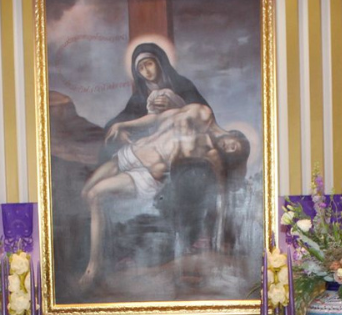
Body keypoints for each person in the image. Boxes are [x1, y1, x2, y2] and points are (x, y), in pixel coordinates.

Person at [79, 103, 250, 283]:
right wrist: (123, 125)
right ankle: (106, 252)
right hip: (130, 153)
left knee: (94, 195)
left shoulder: (209, 151)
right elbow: (158, 117)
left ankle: (93, 267)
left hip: (145, 172)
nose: (229, 146)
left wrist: (222, 232)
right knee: (85, 192)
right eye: (234, 144)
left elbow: (221, 190)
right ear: (233, 134)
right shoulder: (202, 112)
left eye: (232, 151)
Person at [100, 43, 208, 162]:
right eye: (141, 68)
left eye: (149, 64)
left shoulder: (182, 84)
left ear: (159, 62)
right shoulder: (140, 95)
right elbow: (123, 118)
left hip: (183, 139)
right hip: (153, 145)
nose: (146, 71)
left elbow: (204, 113)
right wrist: (120, 130)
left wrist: (177, 106)